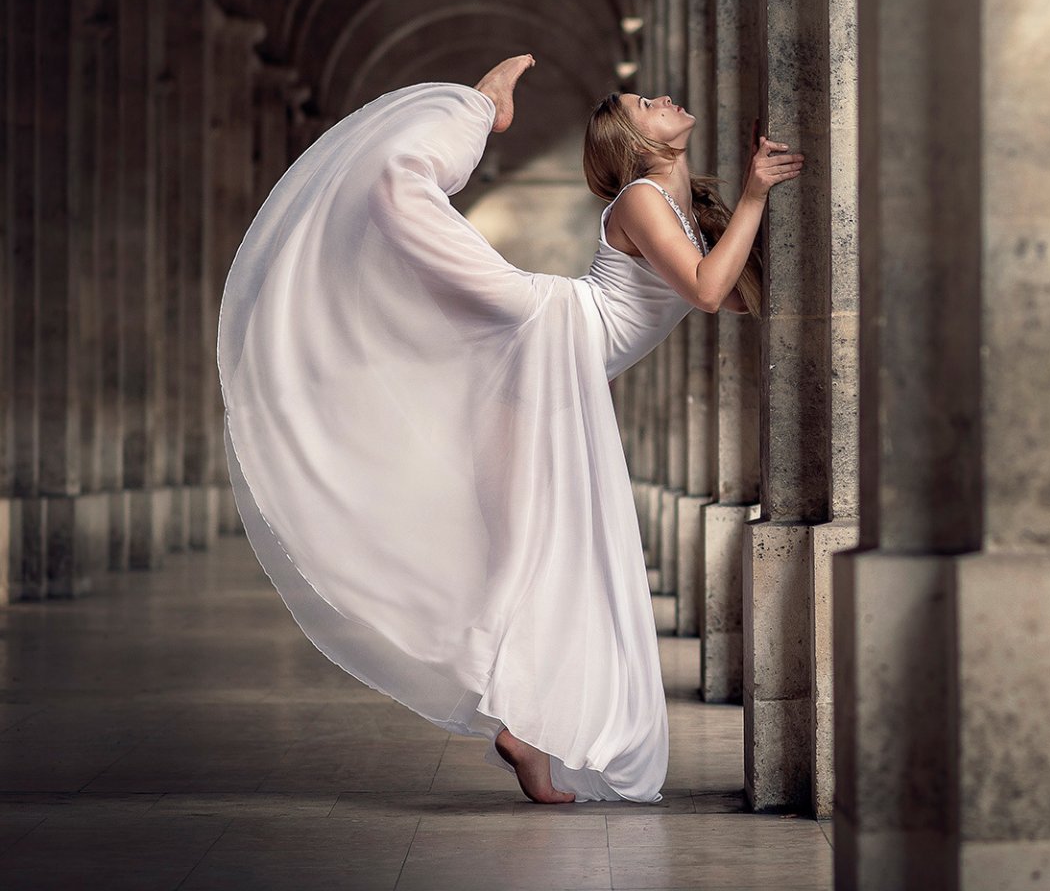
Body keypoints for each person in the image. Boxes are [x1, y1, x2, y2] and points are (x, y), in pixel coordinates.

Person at [215, 54, 802, 804]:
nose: (662, 98)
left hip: (558, 367)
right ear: (636, 141)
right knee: (403, 200)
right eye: (645, 103)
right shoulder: (643, 197)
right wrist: (756, 192)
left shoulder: (680, 207)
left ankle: (523, 726)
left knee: (544, 552)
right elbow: (709, 290)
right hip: (549, 332)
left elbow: (739, 291)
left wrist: (749, 203)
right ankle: (475, 114)